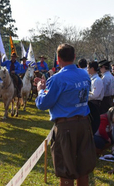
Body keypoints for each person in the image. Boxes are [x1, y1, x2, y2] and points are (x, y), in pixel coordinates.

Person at [35, 44, 96, 186]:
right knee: (83, 169)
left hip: (65, 126)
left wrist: (40, 90)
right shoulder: (84, 74)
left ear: (58, 59)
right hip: (84, 124)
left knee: (65, 170)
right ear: (74, 57)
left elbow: (43, 104)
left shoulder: (57, 79)